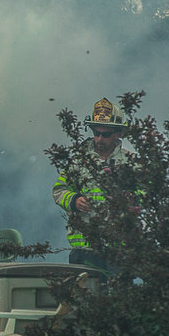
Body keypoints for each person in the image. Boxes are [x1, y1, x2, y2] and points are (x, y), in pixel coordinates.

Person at [52, 97, 133, 275]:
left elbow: (146, 191)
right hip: (83, 248)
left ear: (118, 133)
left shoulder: (131, 162)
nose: (99, 138)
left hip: (117, 249)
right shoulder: (78, 160)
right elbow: (59, 190)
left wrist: (129, 200)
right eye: (96, 133)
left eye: (105, 134)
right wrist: (74, 200)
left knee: (119, 299)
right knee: (84, 298)